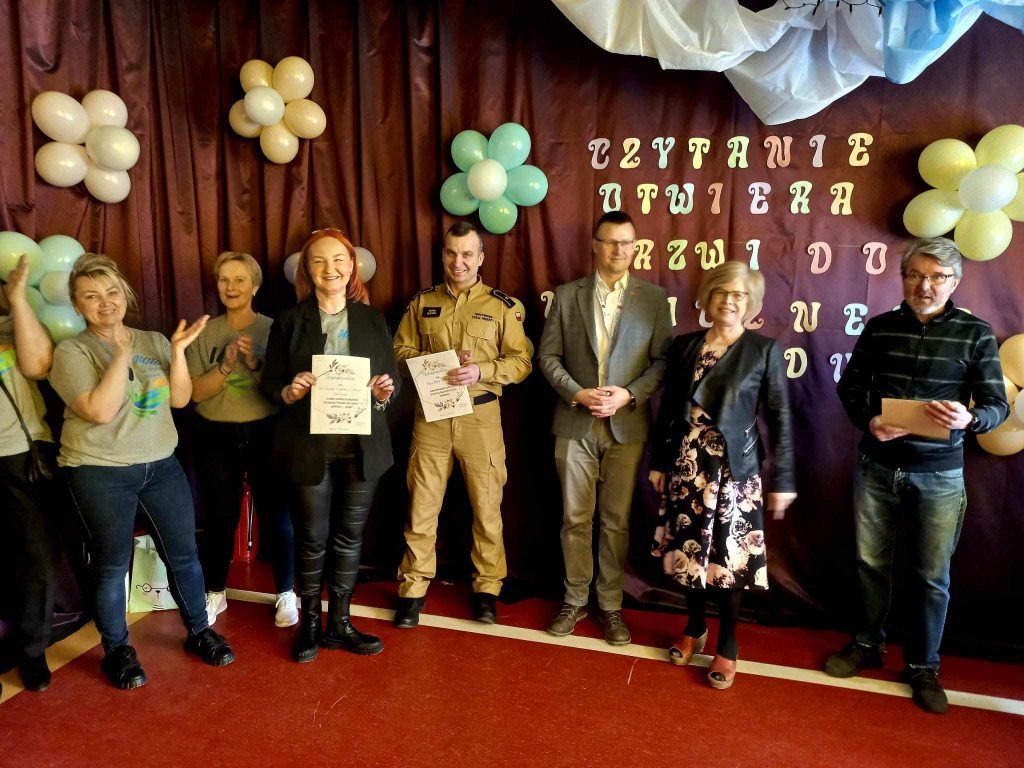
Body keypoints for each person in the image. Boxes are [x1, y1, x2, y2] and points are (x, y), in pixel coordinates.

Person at [824, 236, 1009, 714]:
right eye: (915, 275)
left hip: (940, 475)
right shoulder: (880, 328)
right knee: (869, 564)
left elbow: (997, 406)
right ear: (903, 277)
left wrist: (970, 419)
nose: (925, 286)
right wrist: (869, 421)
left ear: (955, 282)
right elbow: (851, 387)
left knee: (931, 577)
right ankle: (867, 644)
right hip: (876, 465)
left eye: (937, 277)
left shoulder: (976, 334)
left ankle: (924, 666)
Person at [49, 253, 235, 690]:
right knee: (112, 564)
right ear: (76, 305)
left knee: (184, 554)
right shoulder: (72, 350)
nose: (105, 303)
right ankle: (118, 651)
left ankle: (199, 631)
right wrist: (120, 354)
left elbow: (180, 399)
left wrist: (178, 352)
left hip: (161, 466)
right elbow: (98, 410)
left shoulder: (153, 340)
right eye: (91, 296)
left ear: (126, 294)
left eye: (112, 292)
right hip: (100, 471)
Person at [648, 261, 796, 689]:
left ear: (751, 303)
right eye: (721, 292)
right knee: (689, 550)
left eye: (739, 295)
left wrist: (784, 480)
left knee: (730, 560)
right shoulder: (684, 346)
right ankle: (694, 627)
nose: (729, 301)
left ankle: (728, 644)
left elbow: (781, 417)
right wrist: (659, 462)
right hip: (686, 463)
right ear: (707, 298)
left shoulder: (764, 350)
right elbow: (667, 410)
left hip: (734, 470)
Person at [261, 228, 398, 663]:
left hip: (361, 447)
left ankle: (340, 623)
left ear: (352, 265)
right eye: (318, 260)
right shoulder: (289, 321)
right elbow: (270, 385)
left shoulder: (373, 320)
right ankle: (310, 626)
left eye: (338, 259)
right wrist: (290, 391)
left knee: (349, 538)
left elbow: (391, 385)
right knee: (311, 538)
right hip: (308, 447)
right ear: (307, 269)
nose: (330, 268)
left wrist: (383, 393)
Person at [538, 210, 671, 646]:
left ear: (636, 247)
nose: (619, 250)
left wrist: (628, 395)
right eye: (611, 241)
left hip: (626, 427)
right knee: (574, 517)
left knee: (616, 522)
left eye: (627, 242)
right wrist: (576, 393)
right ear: (595, 246)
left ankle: (611, 604)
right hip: (574, 423)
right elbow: (547, 357)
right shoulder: (567, 295)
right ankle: (574, 599)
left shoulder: (653, 299)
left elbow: (662, 362)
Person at [391, 221, 533, 628]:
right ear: (443, 256)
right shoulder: (423, 302)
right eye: (452, 253)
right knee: (421, 506)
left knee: (487, 508)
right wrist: (430, 365)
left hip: (480, 417)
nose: (459, 262)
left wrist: (481, 370)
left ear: (481, 258)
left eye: (467, 254)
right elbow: (398, 350)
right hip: (432, 416)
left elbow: (521, 362)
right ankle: (413, 589)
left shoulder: (502, 306)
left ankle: (487, 588)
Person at [186, 251, 296, 629]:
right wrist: (225, 366)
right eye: (224, 280)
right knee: (220, 518)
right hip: (216, 434)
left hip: (266, 431)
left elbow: (284, 391)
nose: (231, 287)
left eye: (239, 280)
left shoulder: (275, 329)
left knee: (277, 516)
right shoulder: (205, 332)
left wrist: (255, 364)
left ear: (255, 286)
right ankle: (215, 591)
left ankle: (286, 592)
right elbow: (195, 393)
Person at [0, 255, 58, 692]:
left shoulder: (12, 327)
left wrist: (18, 300)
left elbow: (40, 364)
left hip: (22, 456)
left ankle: (33, 649)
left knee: (36, 557)